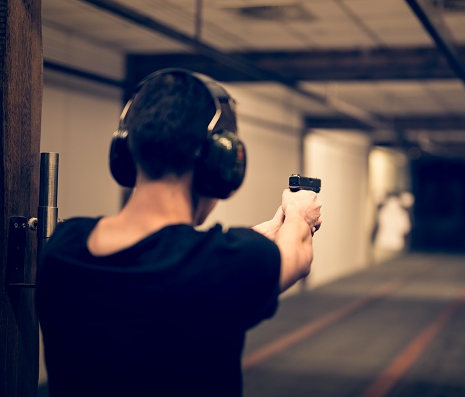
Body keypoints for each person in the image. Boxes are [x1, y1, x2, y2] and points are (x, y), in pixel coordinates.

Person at [36, 69, 322, 397]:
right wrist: (299, 211)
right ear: (219, 163)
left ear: (125, 153)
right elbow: (297, 255)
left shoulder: (63, 249)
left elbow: (188, 255)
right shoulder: (228, 265)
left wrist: (268, 232)